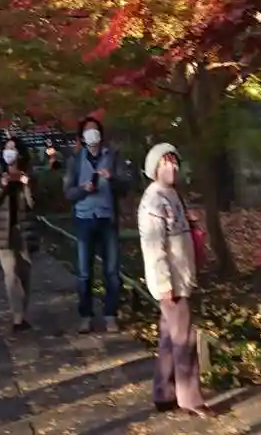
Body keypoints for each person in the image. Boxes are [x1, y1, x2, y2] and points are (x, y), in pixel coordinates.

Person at [139, 142, 211, 418]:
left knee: (170, 338)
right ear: (155, 167)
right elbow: (154, 247)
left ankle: (164, 392)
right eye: (166, 162)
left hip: (181, 276)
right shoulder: (154, 200)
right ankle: (191, 398)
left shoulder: (172, 194)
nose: (172, 167)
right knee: (184, 339)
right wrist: (164, 283)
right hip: (171, 282)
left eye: (174, 161)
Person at [64, 114, 127, 333]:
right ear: (82, 137)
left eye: (95, 130)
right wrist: (83, 190)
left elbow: (125, 186)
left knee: (112, 270)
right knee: (84, 272)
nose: (92, 134)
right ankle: (86, 315)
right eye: (87, 131)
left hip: (107, 218)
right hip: (84, 219)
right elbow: (68, 192)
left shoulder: (112, 156)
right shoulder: (75, 160)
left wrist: (112, 178)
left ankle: (111, 314)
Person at [0, 137, 38, 332]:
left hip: (24, 229)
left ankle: (22, 312)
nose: (9, 153)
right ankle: (17, 316)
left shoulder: (29, 173)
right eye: (7, 149)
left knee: (25, 271)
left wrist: (27, 185)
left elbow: (34, 204)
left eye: (13, 149)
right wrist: (2, 185)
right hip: (3, 229)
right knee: (10, 273)